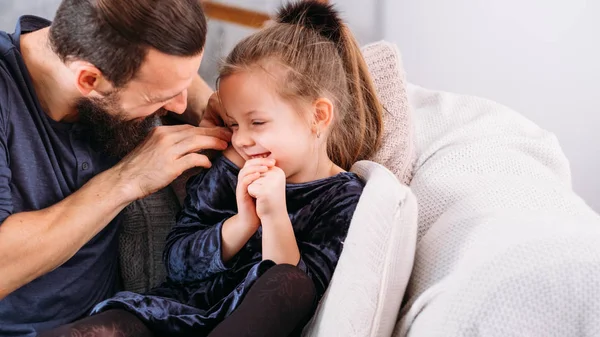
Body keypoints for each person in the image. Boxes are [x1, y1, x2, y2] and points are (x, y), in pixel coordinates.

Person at [39, 1, 386, 336]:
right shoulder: (230, 167)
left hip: (249, 323)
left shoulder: (345, 196)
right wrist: (241, 224)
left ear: (318, 116)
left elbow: (301, 298)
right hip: (174, 314)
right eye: (234, 124)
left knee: (290, 282)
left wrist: (274, 215)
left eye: (258, 122)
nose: (244, 140)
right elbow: (176, 263)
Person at [0, 0, 231, 336]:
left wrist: (205, 104)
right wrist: (129, 178)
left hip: (119, 316)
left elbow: (162, 69)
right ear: (89, 80)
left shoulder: (107, 48)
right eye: (160, 98)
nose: (177, 107)